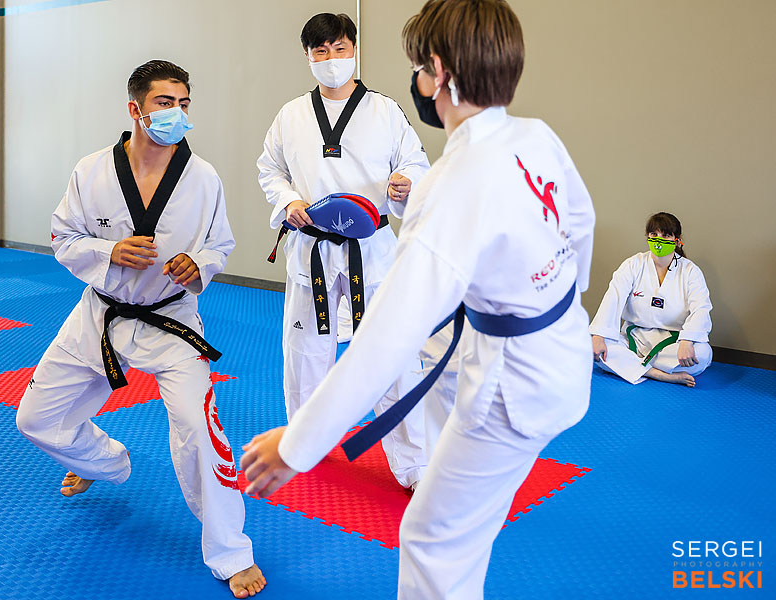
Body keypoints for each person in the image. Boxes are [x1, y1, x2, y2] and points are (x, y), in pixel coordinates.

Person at [241, 1, 595, 598]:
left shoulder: (449, 182)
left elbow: (386, 338)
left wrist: (295, 443)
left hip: (512, 389)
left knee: (433, 542)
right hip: (562, 350)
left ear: (437, 72)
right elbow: (579, 225)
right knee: (460, 531)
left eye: (419, 67)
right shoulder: (535, 135)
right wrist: (538, 297)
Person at [15, 60, 265, 598]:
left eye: (184, 103)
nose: (176, 113)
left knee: (201, 433)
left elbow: (219, 244)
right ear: (136, 109)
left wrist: (201, 265)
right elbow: (63, 237)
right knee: (35, 420)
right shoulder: (92, 171)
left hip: (171, 319)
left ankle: (230, 551)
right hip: (99, 313)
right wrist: (109, 251)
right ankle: (105, 462)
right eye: (164, 103)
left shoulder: (203, 177)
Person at [257, 13, 431, 489]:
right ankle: (303, 444)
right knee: (305, 354)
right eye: (320, 51)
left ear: (353, 50)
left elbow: (416, 162)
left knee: (391, 356)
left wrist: (405, 184)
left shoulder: (385, 111)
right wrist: (287, 200)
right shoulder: (290, 115)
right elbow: (269, 168)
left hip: (370, 251)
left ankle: (414, 465)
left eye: (338, 49)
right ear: (307, 56)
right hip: (310, 250)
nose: (330, 60)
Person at [590, 212, 713, 387]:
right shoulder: (633, 264)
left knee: (702, 354)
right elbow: (613, 297)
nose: (658, 239)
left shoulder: (690, 271)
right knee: (593, 346)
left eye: (665, 235)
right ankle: (659, 374)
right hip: (635, 338)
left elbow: (701, 308)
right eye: (654, 234)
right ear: (647, 236)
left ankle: (631, 366)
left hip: (672, 341)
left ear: (677, 240)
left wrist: (687, 341)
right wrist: (599, 335)